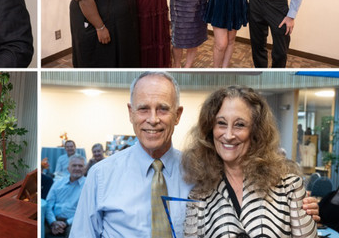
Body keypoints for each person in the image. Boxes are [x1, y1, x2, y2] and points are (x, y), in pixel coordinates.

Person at [70, 72, 320, 237]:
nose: (153, 119)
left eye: (163, 109)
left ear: (178, 115)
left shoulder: (199, 173)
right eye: (144, 108)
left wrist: (301, 206)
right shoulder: (101, 176)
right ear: (131, 112)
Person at [182, 86, 317, 237]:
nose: (228, 135)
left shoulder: (289, 188)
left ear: (256, 131)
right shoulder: (199, 196)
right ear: (210, 129)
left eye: (239, 125)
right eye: (221, 123)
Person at [44, 155, 86, 238]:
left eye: (80, 166)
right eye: (74, 165)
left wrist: (67, 223)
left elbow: (85, 211)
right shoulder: (58, 183)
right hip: (53, 219)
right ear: (68, 168)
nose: (77, 168)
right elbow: (48, 205)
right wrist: (53, 222)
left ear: (84, 169)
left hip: (74, 222)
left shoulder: (88, 186)